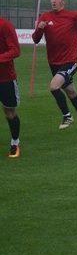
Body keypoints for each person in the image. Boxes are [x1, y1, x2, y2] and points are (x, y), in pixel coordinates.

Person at [32, 0, 77, 137]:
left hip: (70, 61)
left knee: (54, 87)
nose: (54, 1)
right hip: (54, 63)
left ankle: (67, 116)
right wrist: (39, 29)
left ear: (63, 0)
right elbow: (35, 39)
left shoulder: (72, 16)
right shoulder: (45, 17)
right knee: (71, 92)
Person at [0, 16, 21, 158]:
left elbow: (15, 50)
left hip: (5, 78)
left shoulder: (5, 25)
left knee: (9, 111)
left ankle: (15, 142)